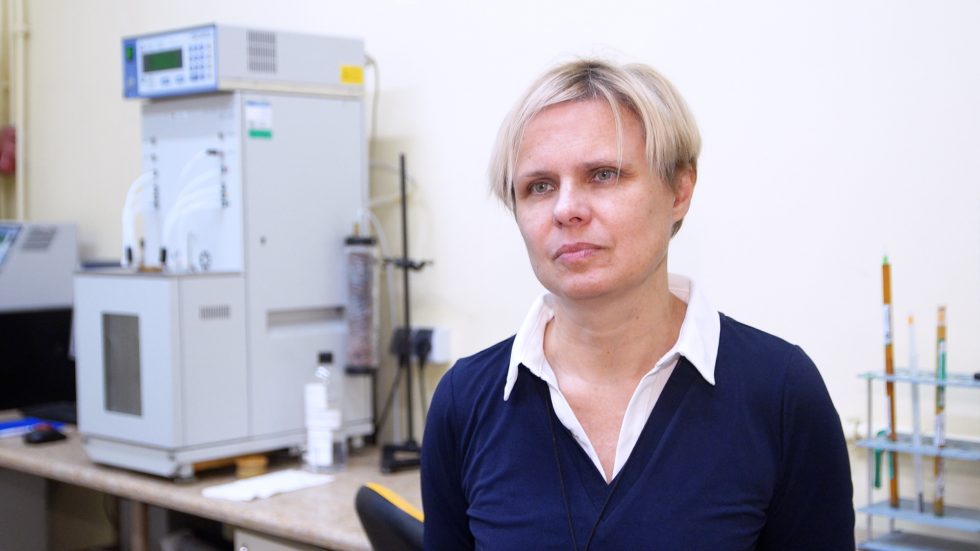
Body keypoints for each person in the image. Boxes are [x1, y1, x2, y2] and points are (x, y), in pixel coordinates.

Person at [421, 59, 854, 550]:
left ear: (679, 191)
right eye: (539, 186)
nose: (567, 209)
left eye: (603, 175)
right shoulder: (465, 402)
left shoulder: (780, 395)